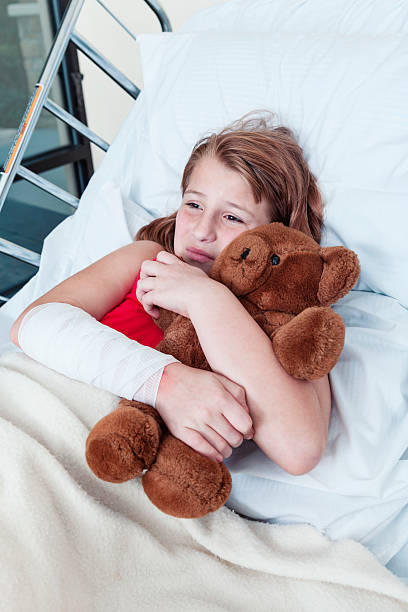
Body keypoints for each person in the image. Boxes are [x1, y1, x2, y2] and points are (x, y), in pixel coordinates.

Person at [10, 110, 331, 475]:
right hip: (34, 414)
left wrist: (206, 298)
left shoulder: (286, 318)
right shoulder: (149, 260)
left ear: (275, 232)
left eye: (233, 217)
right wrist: (163, 383)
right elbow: (32, 325)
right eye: (193, 205)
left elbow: (301, 448)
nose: (201, 231)